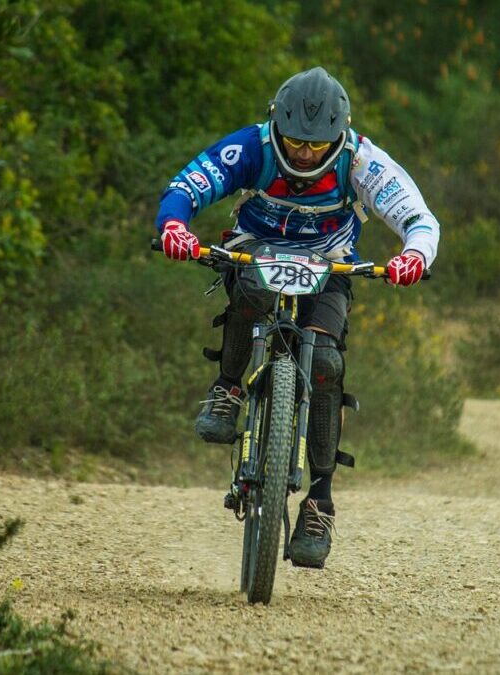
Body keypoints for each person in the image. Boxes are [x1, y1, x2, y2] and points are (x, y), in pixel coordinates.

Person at [154, 67, 439, 569]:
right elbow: (188, 185)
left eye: (317, 144)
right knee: (248, 291)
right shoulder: (254, 148)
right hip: (255, 252)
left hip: (330, 266)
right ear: (275, 125)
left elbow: (418, 217)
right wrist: (175, 225)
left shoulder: (362, 161)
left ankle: (319, 502)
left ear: (340, 132)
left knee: (326, 361)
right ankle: (228, 389)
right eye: (294, 141)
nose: (305, 153)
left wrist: (415, 255)